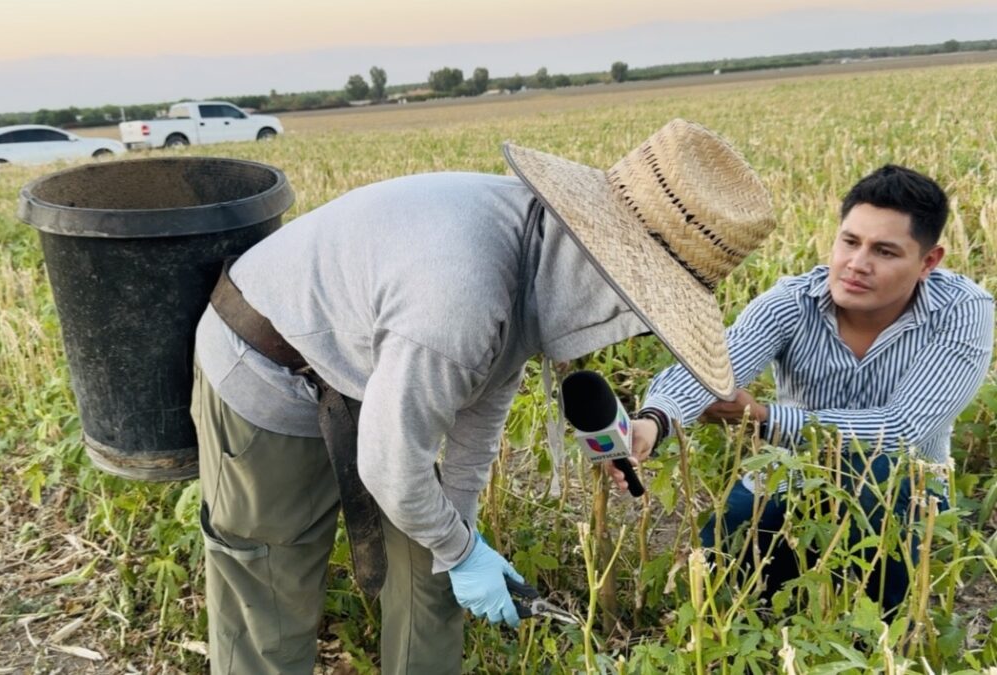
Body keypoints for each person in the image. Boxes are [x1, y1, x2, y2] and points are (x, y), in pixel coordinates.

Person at [191, 118, 776, 674]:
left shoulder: (538, 252)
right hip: (266, 358)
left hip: (373, 356)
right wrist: (463, 551)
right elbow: (391, 467)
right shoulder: (461, 297)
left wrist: (460, 534)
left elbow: (486, 392)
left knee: (432, 571)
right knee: (274, 584)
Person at [617, 164, 995, 614]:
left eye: (884, 251)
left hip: (905, 488)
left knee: (882, 517)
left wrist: (765, 419)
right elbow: (713, 368)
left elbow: (901, 431)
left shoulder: (962, 310)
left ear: (928, 262)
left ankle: (886, 623)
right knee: (719, 572)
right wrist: (654, 420)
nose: (857, 264)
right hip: (791, 474)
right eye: (850, 241)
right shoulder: (793, 302)